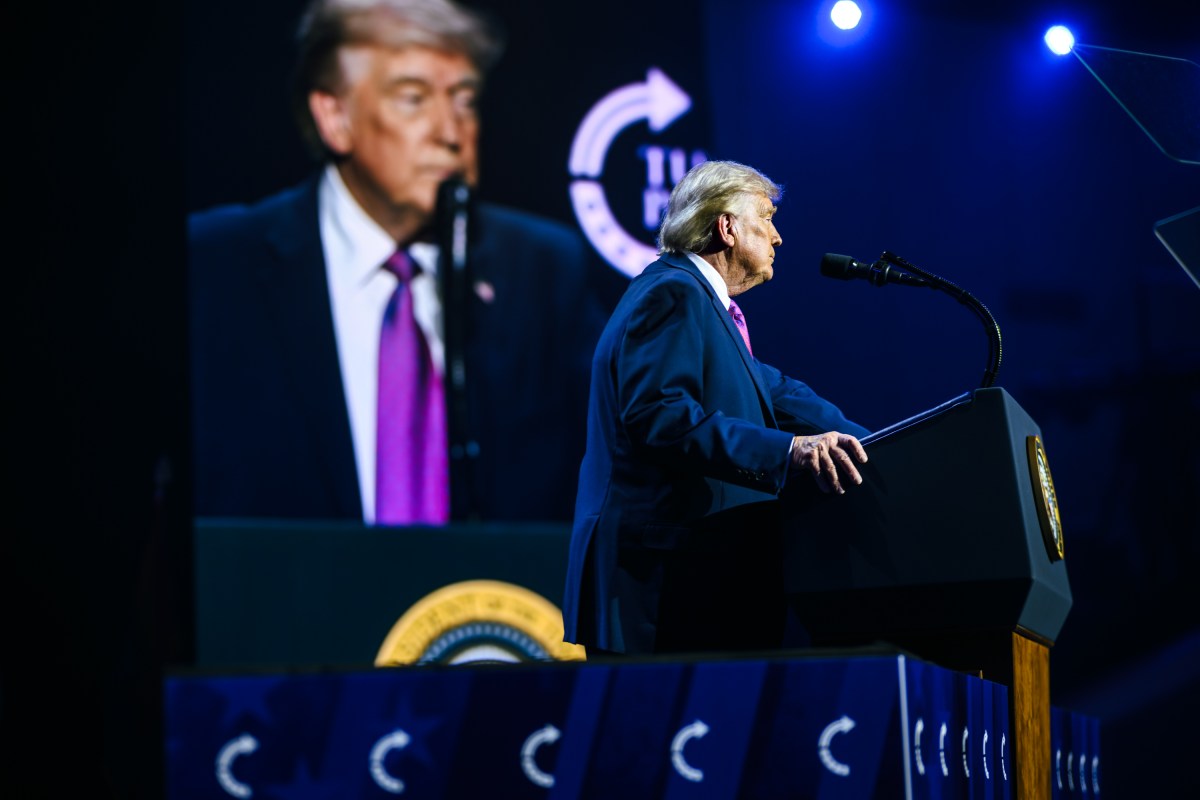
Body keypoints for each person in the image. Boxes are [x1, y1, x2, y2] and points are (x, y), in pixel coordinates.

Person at [188, 0, 607, 524]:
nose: (450, 133)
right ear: (334, 118)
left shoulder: (543, 272)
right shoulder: (219, 266)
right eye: (413, 99)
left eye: (465, 101)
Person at [561, 160, 870, 656]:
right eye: (766, 218)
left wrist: (878, 444)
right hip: (661, 585)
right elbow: (659, 415)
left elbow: (782, 392)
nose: (778, 237)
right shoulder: (673, 292)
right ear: (726, 227)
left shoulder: (703, 304)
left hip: (692, 582)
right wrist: (791, 451)